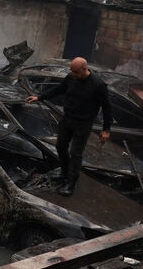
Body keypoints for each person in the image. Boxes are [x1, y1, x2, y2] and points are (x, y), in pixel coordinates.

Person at [25, 58, 111, 196]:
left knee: (76, 154)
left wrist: (106, 129)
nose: (73, 74)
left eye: (75, 72)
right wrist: (39, 97)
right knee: (60, 147)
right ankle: (65, 173)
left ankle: (71, 183)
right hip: (67, 119)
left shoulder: (98, 85)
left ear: (84, 69)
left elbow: (107, 107)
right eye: (71, 71)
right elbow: (59, 89)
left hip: (83, 124)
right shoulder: (71, 77)